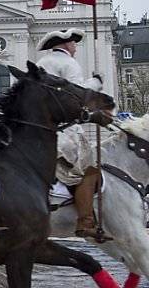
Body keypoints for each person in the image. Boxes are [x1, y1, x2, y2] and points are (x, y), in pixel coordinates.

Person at [36, 28, 105, 240]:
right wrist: (96, 83)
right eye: (74, 44)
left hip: (38, 129)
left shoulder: (41, 64)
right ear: (66, 44)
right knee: (90, 171)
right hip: (63, 131)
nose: (75, 48)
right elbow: (77, 95)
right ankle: (85, 221)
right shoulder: (68, 64)